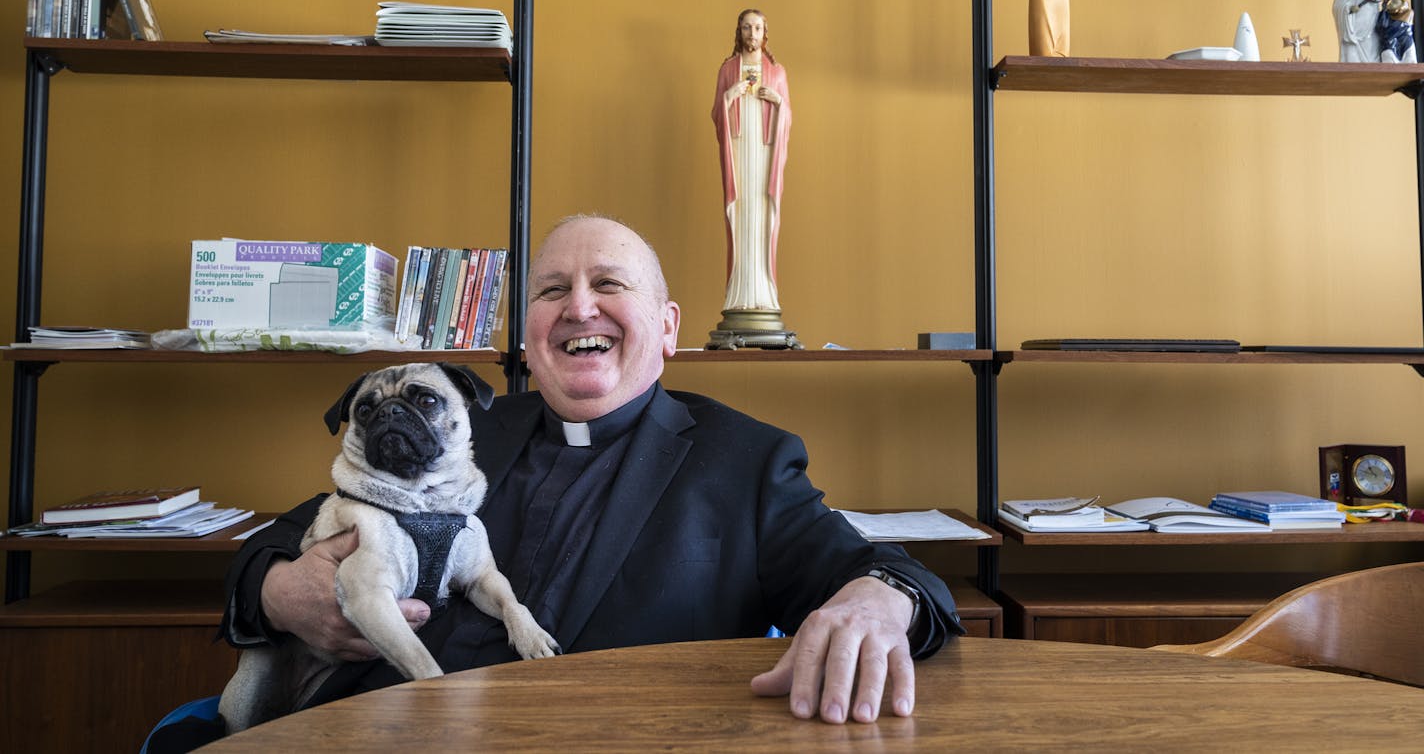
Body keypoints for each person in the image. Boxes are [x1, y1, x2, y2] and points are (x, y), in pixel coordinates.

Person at [217, 215, 962, 733]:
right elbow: (279, 546)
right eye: (551, 290)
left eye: (610, 283)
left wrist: (876, 601)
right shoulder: (455, 428)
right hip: (372, 728)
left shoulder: (747, 460)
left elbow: (879, 572)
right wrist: (281, 592)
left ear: (667, 327)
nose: (579, 306)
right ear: (530, 337)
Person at [713, 9, 792, 315]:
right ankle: (738, 294)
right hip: (738, 153)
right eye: (747, 28)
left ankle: (764, 291)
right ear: (739, 32)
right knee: (741, 214)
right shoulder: (728, 69)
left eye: (757, 28)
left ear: (764, 32)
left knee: (762, 216)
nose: (752, 34)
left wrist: (777, 101)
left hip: (763, 154)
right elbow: (716, 113)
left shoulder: (777, 72)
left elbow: (788, 115)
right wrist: (729, 96)